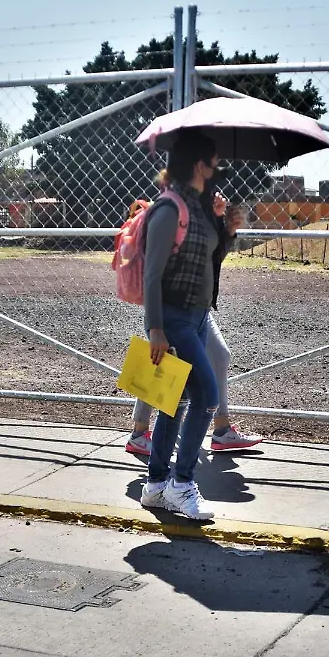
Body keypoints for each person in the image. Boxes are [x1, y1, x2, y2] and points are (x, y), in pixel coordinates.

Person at [138, 130, 244, 520]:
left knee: (174, 402)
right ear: (199, 165)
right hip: (176, 318)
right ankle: (182, 484)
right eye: (214, 163)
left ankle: (155, 486)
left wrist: (227, 230)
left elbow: (210, 260)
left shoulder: (196, 208)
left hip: (198, 317)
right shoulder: (169, 209)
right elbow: (151, 275)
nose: (217, 170)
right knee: (206, 396)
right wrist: (156, 330)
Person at [126, 315, 263, 456]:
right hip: (170, 307)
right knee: (162, 360)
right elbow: (151, 292)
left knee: (219, 355)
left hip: (199, 308)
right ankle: (139, 433)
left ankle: (222, 429)